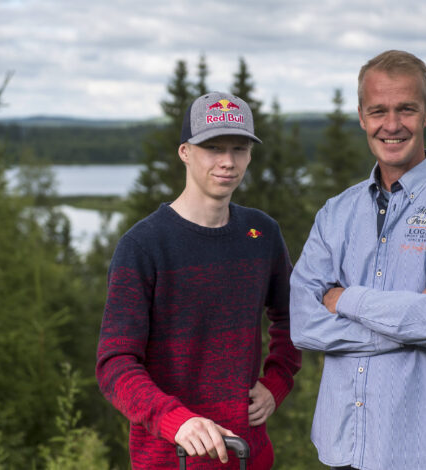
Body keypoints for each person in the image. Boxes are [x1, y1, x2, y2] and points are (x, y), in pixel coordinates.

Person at [290, 50, 426, 469]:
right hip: (344, 450)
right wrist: (410, 322)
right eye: (378, 111)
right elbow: (302, 322)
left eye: (406, 109)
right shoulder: (336, 213)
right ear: (362, 116)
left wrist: (345, 299)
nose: (391, 124)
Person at [96, 91, 302, 469]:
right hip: (170, 459)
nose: (227, 162)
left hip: (249, 455)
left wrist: (278, 381)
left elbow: (293, 319)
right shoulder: (143, 245)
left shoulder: (262, 233)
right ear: (185, 152)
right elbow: (115, 363)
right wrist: (176, 421)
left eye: (239, 149)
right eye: (213, 147)